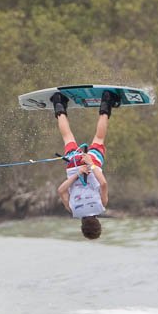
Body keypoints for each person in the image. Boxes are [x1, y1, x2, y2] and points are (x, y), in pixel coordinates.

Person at [52, 90, 119, 239]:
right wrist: (77, 174)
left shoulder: (101, 206)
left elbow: (103, 184)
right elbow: (61, 190)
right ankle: (58, 102)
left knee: (99, 139)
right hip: (73, 166)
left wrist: (90, 165)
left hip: (90, 166)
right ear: (82, 226)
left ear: (98, 223)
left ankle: (107, 100)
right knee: (67, 137)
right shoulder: (72, 210)